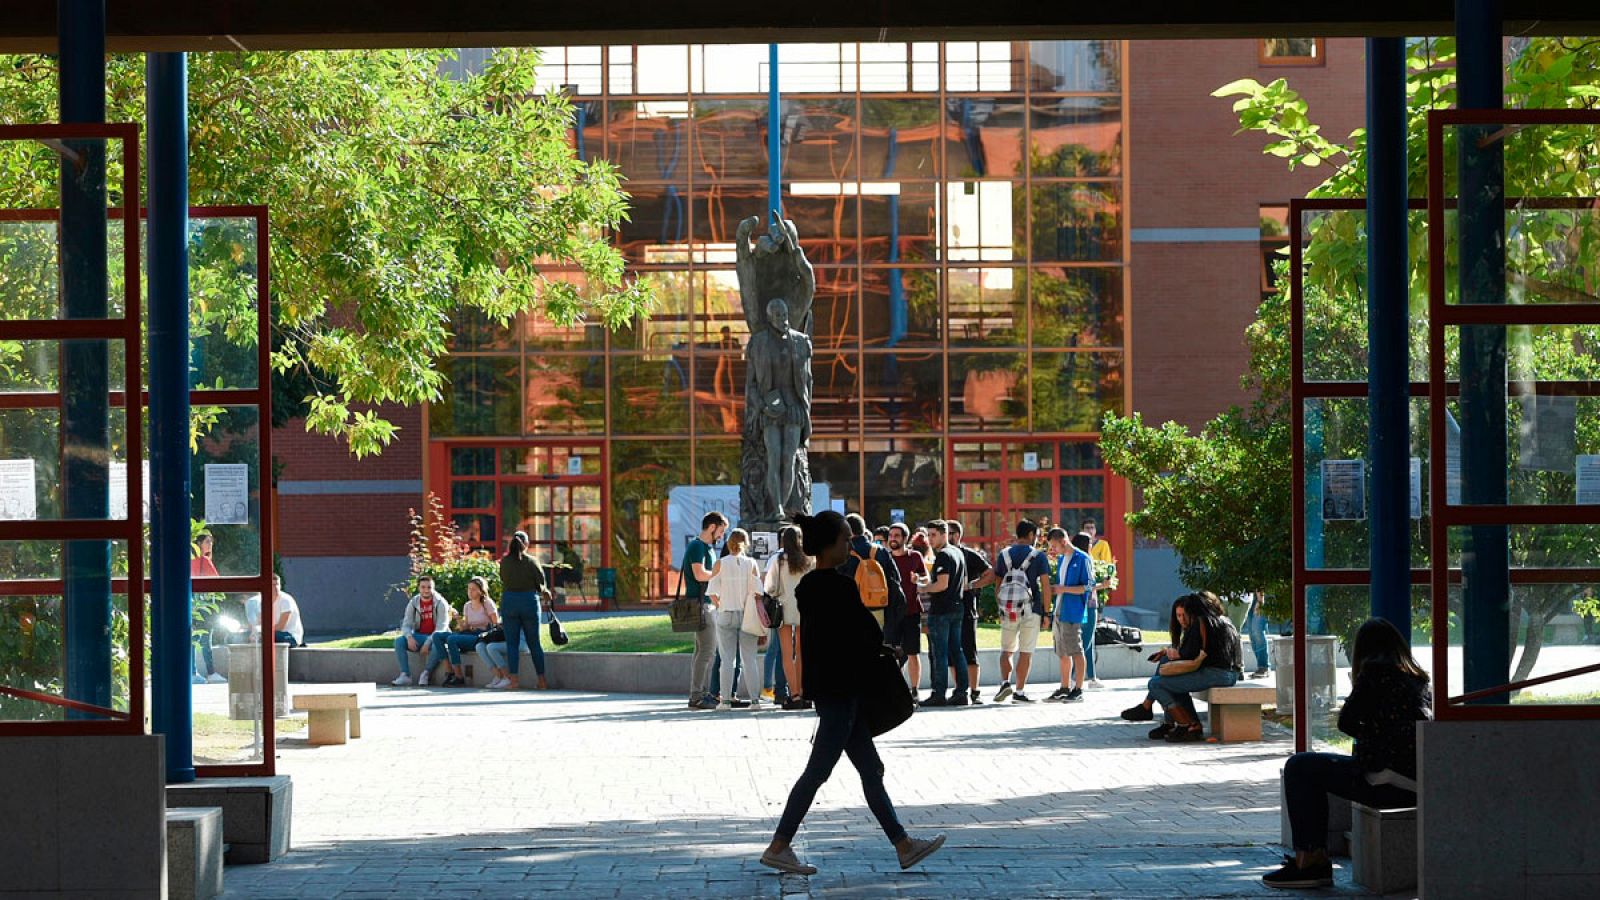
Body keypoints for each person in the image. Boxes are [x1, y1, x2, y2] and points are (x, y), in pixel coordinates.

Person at [759, 510, 946, 876]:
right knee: (817, 772)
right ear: (829, 546)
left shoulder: (809, 587)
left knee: (870, 768)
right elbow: (865, 635)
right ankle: (779, 845)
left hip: (833, 690)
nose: (850, 544)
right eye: (845, 539)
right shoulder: (839, 586)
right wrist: (884, 648)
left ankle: (903, 844)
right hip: (842, 692)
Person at [1264, 618, 1432, 889]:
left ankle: (1309, 860)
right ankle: (1311, 857)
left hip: (1385, 782)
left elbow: (1347, 722)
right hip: (1413, 782)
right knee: (1315, 769)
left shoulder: (1375, 673)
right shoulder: (1419, 680)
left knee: (1300, 767)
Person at [971, 519, 1052, 703]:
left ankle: (1005, 682)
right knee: (1026, 651)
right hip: (1031, 609)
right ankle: (1020, 692)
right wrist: (1047, 613)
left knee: (1006, 649)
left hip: (1008, 608)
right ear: (1031, 535)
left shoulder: (1004, 554)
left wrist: (1001, 606)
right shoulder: (1038, 556)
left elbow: (998, 583)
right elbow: (1046, 586)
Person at [1143, 593, 1240, 742]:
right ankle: (1180, 723)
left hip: (1216, 673)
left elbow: (1188, 655)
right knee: (1170, 679)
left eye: (1186, 613)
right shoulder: (1224, 621)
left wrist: (1170, 653)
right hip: (1229, 673)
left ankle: (1186, 723)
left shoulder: (1202, 622)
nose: (1184, 618)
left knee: (1156, 683)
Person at [707, 528, 765, 710]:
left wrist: (720, 604)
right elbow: (758, 592)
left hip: (726, 613)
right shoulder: (752, 563)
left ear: (729, 543)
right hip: (747, 615)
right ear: (745, 543)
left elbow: (711, 592)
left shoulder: (720, 563)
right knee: (749, 659)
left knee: (727, 660)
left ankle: (724, 701)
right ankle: (755, 700)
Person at [916, 520, 968, 707]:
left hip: (942, 611)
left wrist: (923, 588)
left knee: (940, 653)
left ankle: (939, 693)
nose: (930, 539)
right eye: (928, 535)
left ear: (944, 534)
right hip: (957, 607)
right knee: (957, 650)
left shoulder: (944, 555)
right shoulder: (958, 552)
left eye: (933, 535)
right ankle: (962, 692)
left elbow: (942, 584)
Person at [765, 524, 813, 710]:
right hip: (805, 609)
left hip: (783, 609)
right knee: (802, 653)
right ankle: (803, 692)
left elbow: (770, 587)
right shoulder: (810, 559)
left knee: (787, 653)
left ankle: (793, 695)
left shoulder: (778, 560)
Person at [684, 512, 728, 710]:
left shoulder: (706, 548)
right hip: (701, 605)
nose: (721, 536)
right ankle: (697, 696)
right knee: (707, 651)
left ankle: (698, 693)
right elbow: (700, 574)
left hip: (705, 603)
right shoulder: (697, 546)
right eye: (721, 530)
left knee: (701, 651)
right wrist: (720, 574)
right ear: (712, 527)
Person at [498, 531, 551, 691]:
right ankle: (542, 681)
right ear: (526, 544)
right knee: (534, 643)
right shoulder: (532, 561)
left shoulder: (504, 562)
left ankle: (514, 681)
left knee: (512, 644)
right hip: (529, 602)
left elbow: (503, 579)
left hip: (509, 602)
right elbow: (541, 584)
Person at [839, 513, 906, 636]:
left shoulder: (842, 552)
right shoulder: (880, 551)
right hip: (878, 606)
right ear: (863, 529)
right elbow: (896, 578)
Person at [945, 520, 989, 704]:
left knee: (969, 650)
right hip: (947, 611)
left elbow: (990, 573)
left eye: (946, 533)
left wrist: (971, 585)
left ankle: (975, 691)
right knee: (951, 653)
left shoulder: (969, 555)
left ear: (956, 535)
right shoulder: (943, 555)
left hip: (967, 610)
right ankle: (959, 690)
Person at [427, 576, 499, 688]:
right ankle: (450, 672)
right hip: (468, 635)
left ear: (481, 590)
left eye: (473, 589)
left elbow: (496, 624)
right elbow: (464, 628)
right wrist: (457, 618)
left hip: (481, 637)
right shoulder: (467, 606)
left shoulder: (487, 604)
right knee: (437, 636)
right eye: (469, 589)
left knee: (452, 639)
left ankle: (459, 676)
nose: (470, 592)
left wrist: (481, 629)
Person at [1047, 530, 1092, 702]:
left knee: (1075, 650)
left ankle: (1078, 689)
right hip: (1059, 609)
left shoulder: (1082, 558)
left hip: (1073, 611)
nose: (1053, 549)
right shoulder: (1061, 560)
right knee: (1062, 651)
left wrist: (1063, 589)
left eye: (1054, 545)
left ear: (1063, 541)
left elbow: (1088, 586)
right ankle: (1064, 687)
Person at [884, 523, 928, 701]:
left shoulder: (915, 557)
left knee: (912, 652)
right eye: (891, 535)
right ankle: (896, 690)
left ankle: (915, 690)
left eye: (896, 535)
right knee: (891, 652)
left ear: (905, 538)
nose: (893, 538)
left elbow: (926, 577)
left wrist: (919, 579)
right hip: (891, 613)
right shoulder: (884, 558)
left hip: (911, 611)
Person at [391, 575, 452, 686]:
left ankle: (426, 674)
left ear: (433, 588)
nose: (426, 590)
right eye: (423, 587)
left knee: (437, 645)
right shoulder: (413, 603)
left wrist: (428, 642)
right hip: (419, 636)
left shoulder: (441, 603)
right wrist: (409, 637)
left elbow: (441, 627)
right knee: (399, 641)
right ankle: (405, 675)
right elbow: (406, 624)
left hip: (437, 637)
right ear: (419, 588)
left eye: (429, 587)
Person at [1080, 517, 1114, 688]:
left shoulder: (1100, 547)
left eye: (1092, 527)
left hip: (1091, 601)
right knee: (1084, 640)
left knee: (1089, 638)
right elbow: (1087, 585)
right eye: (1087, 527)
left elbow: (1108, 565)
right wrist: (1103, 585)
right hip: (1085, 603)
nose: (1090, 530)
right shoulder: (1084, 560)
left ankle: (1092, 677)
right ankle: (1073, 678)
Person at [243, 574, 304, 648]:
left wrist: (260, 633)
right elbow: (260, 622)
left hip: (289, 636)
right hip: (270, 633)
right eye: (272, 585)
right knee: (241, 637)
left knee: (268, 636)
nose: (276, 587)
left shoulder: (286, 600)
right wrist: (253, 631)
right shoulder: (263, 601)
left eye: (277, 584)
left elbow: (280, 627)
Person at [1243, 591, 1273, 677]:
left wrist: (1260, 600)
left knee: (1257, 632)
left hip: (1259, 598)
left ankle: (1264, 667)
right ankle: (1261, 667)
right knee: (1252, 635)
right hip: (1249, 599)